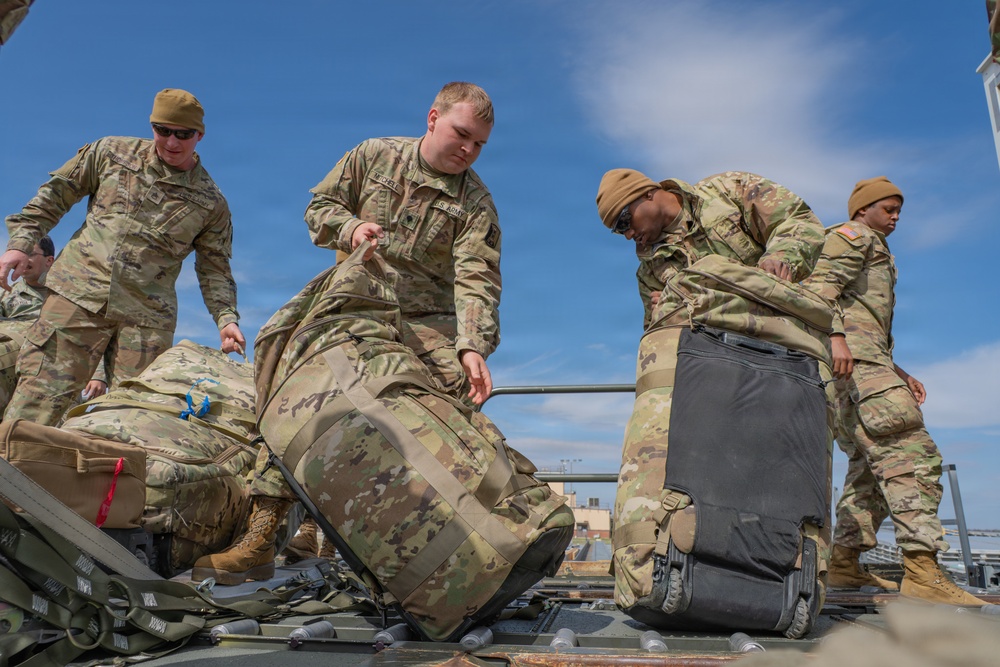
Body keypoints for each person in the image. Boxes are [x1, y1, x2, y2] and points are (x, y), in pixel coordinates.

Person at [193, 82, 501, 584]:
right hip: (356, 304)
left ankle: (417, 552)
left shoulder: (476, 203)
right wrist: (351, 228)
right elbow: (319, 208)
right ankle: (261, 536)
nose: (468, 149)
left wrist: (471, 346)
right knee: (298, 386)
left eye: (479, 144)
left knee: (445, 403)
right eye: (461, 134)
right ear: (432, 118)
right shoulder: (374, 155)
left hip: (426, 322)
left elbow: (477, 279)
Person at [0, 88, 245, 426]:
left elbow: (214, 268)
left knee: (132, 421)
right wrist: (19, 243)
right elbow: (53, 197)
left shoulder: (211, 202)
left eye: (183, 134)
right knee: (36, 403)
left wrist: (226, 318)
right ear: (152, 126)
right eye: (163, 130)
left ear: (199, 135)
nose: (171, 142)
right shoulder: (110, 153)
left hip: (146, 323)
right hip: (77, 299)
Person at [802, 177, 987, 606]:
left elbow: (863, 319)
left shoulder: (874, 245)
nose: (896, 217)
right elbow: (818, 290)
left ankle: (844, 563)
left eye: (899, 210)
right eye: (888, 209)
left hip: (864, 364)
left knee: (868, 471)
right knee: (913, 456)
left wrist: (897, 370)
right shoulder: (853, 236)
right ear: (862, 209)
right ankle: (922, 571)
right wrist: (835, 337)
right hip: (856, 364)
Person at [595, 169, 825, 323]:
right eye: (619, 231)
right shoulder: (650, 271)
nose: (628, 235)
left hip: (781, 325)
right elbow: (658, 340)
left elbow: (797, 219)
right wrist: (663, 316)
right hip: (719, 358)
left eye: (624, 221)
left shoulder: (726, 191)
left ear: (646, 194)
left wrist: (782, 256)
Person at [0, 236, 106, 412]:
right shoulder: (7, 294)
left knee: (44, 425)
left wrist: (99, 375)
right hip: (14, 362)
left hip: (57, 371)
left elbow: (93, 333)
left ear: (49, 260)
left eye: (29, 253)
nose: (21, 259)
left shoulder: (71, 295)